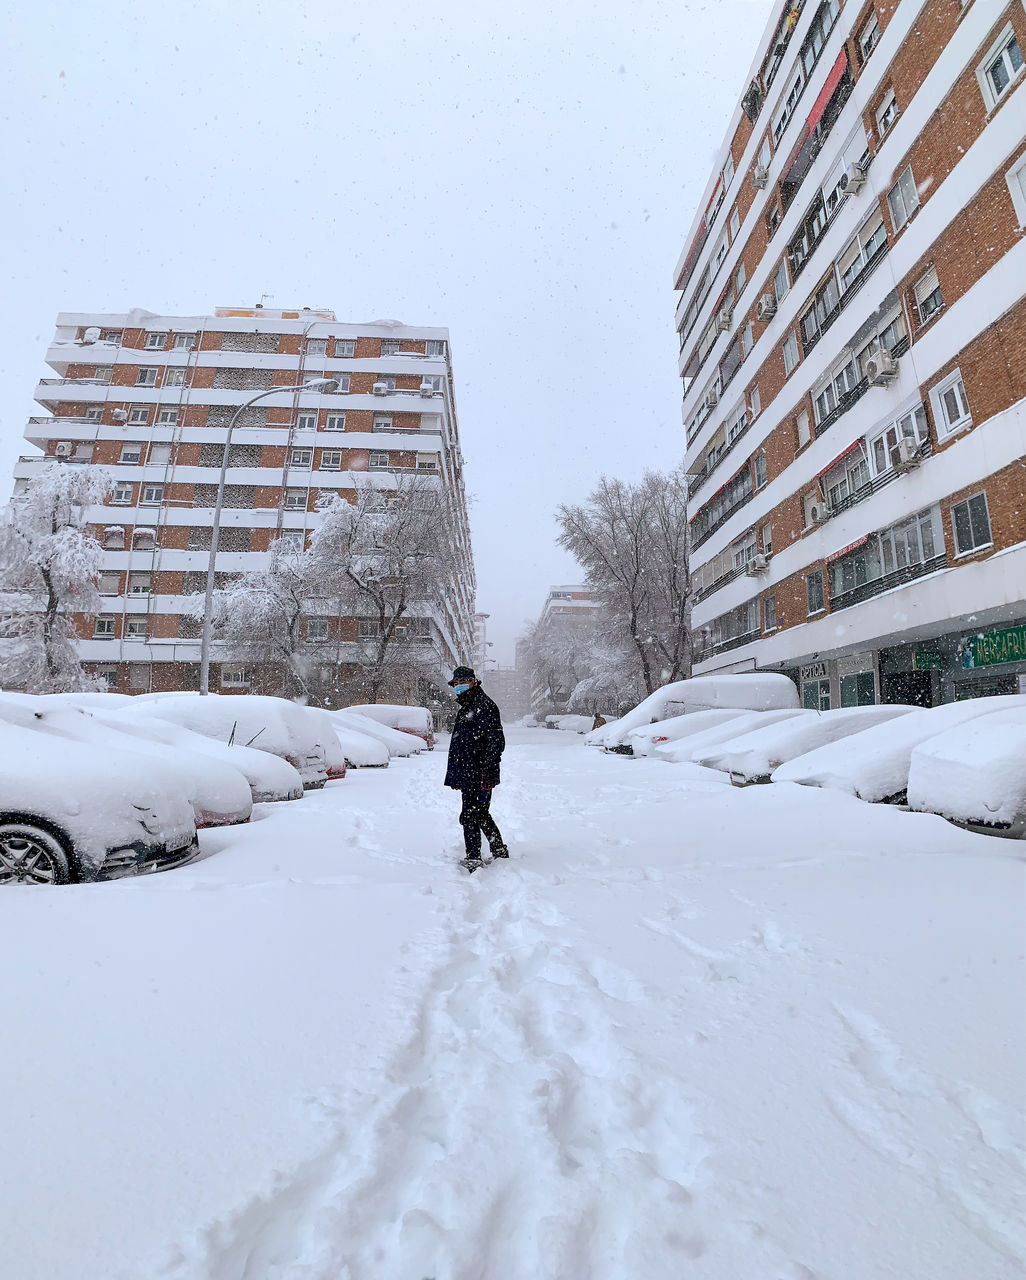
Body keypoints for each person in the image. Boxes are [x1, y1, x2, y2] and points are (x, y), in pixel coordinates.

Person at [444, 665, 508, 871]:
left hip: (479, 771)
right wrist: (455, 776)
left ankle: (473, 856)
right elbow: (461, 744)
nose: (459, 687)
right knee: (479, 813)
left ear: (474, 682)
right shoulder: (468, 706)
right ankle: (498, 848)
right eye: (456, 684)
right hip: (468, 771)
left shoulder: (483, 705)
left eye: (463, 683)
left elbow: (496, 740)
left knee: (471, 814)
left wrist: (488, 769)